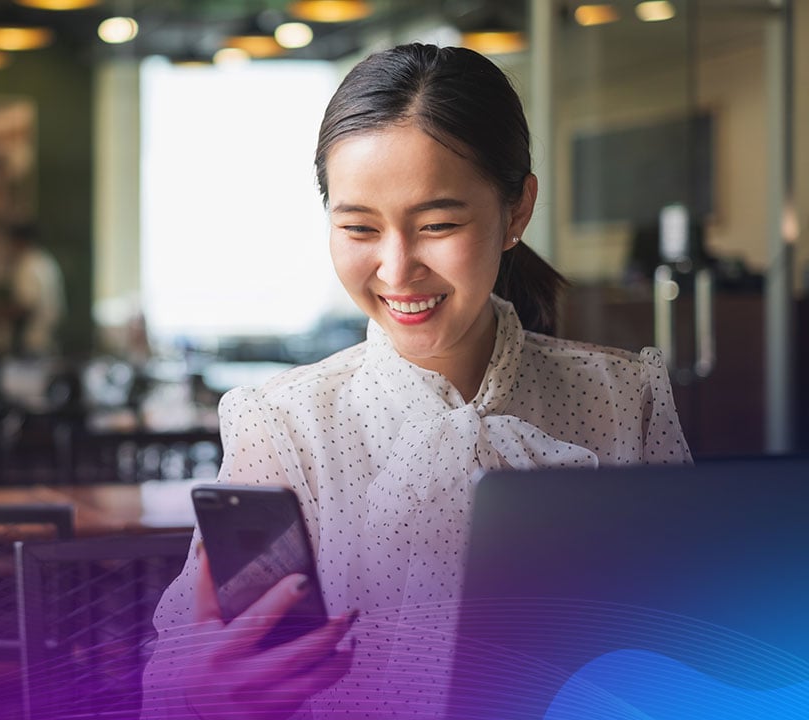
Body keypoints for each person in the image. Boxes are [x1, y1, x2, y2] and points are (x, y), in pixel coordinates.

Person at [143, 43, 691, 719]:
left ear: (516, 211)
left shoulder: (621, 399)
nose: (397, 270)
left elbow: (702, 643)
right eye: (358, 228)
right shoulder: (284, 424)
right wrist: (199, 692)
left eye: (438, 225)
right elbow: (178, 677)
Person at [0, 223, 67, 356]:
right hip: (49, 337)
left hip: (33, 341)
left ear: (19, 241)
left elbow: (26, 306)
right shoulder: (46, 260)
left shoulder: (27, 265)